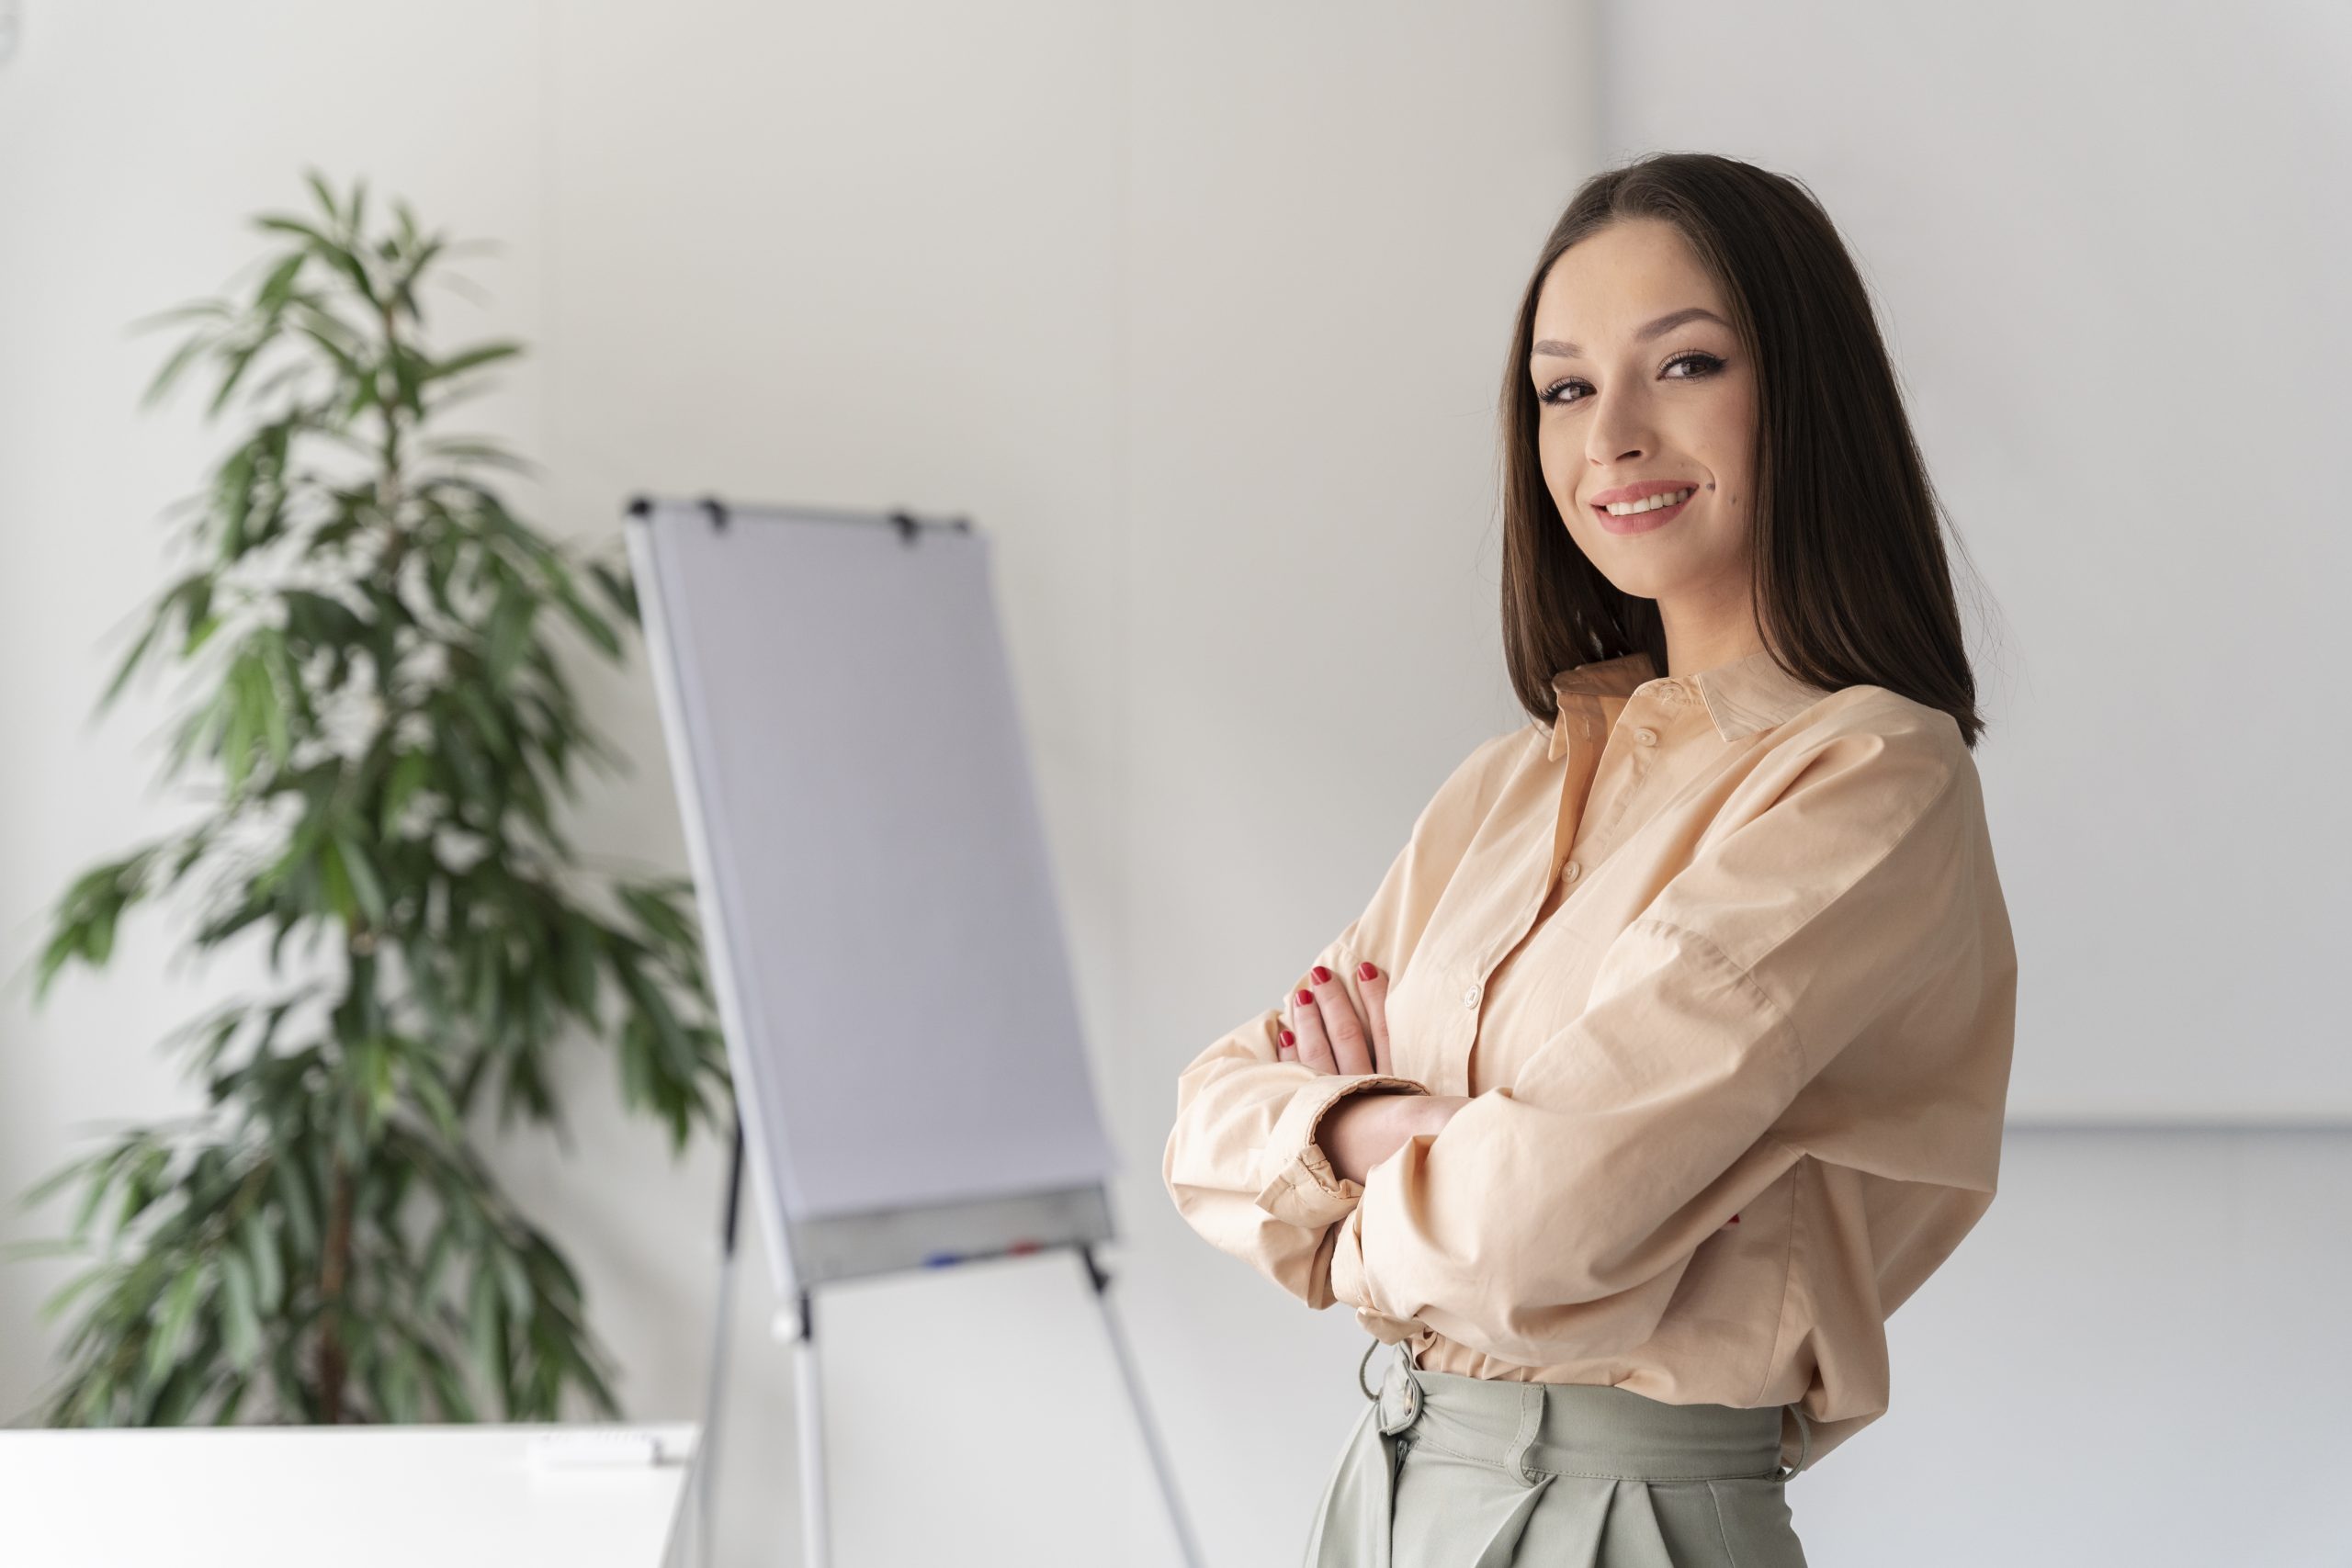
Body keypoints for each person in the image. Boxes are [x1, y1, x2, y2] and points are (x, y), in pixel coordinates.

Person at [1161, 150, 2018, 1567]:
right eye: (1564, 388)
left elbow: (1536, 1235)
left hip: (1632, 1517)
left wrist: (1331, 1175)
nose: (1610, 435)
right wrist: (1404, 1133)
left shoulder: (1868, 776)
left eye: (1681, 366)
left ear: (1802, 395)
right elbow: (1205, 1126)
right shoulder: (1506, 786)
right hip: (1385, 1491)